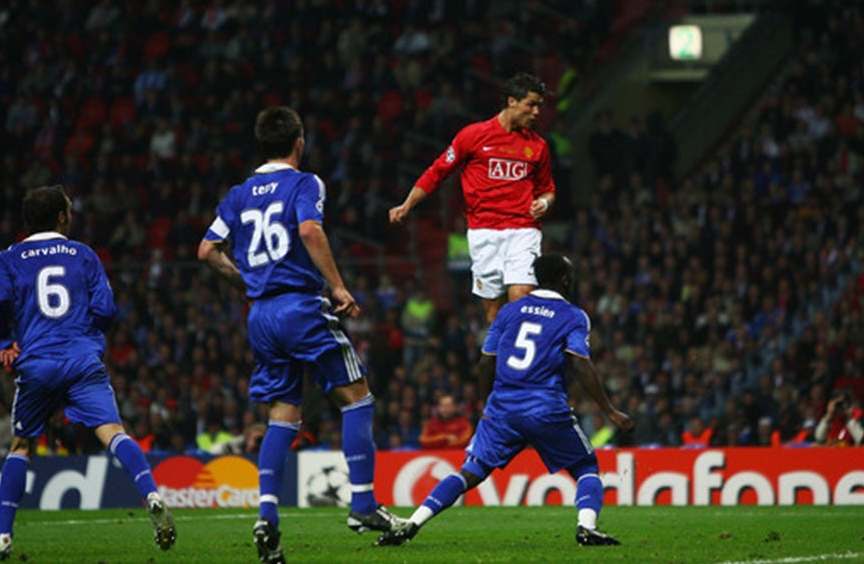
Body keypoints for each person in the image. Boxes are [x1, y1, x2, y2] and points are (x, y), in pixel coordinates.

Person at [197, 106, 402, 564]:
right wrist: (338, 285)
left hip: (262, 316)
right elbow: (309, 229)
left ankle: (266, 514)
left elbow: (207, 250)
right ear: (299, 143)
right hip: (300, 305)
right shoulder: (305, 182)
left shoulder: (238, 193)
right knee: (358, 397)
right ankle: (363, 504)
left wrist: (246, 284)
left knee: (282, 414)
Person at [375, 254, 634, 548]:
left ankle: (412, 523)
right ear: (564, 279)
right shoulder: (573, 316)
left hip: (502, 408)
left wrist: (488, 407)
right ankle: (586, 527)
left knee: (470, 472)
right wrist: (610, 410)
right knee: (586, 467)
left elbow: (486, 363)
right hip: (544, 406)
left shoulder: (509, 312)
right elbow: (581, 364)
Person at [0, 185, 176, 561]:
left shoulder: (7, 258)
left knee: (22, 446)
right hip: (81, 359)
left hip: (37, 363)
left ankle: (4, 536)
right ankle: (152, 494)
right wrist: (83, 331)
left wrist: (6, 339)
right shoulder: (83, 254)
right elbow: (106, 310)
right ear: (60, 216)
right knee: (113, 433)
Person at [389, 72, 557, 324]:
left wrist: (543, 202)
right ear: (512, 101)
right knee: (493, 313)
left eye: (539, 107)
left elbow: (548, 189)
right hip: (483, 233)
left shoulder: (538, 146)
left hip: (523, 230)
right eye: (531, 104)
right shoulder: (473, 136)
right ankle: (498, 361)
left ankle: (517, 363)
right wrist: (407, 204)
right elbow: (437, 172)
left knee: (521, 298)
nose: (536, 112)